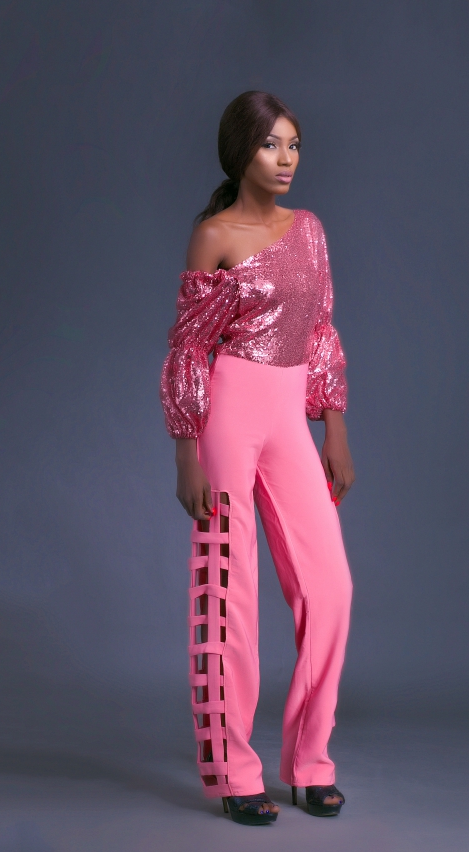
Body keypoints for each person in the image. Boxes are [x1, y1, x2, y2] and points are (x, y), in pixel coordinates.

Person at [159, 91, 354, 826]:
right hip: (227, 417)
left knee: (330, 588)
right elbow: (187, 349)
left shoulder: (310, 230)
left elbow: (321, 329)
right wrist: (186, 453)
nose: (286, 159)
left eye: (294, 145)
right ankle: (234, 771)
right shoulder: (214, 235)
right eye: (272, 145)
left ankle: (310, 762)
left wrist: (334, 428)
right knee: (228, 593)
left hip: (290, 413)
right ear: (240, 152)